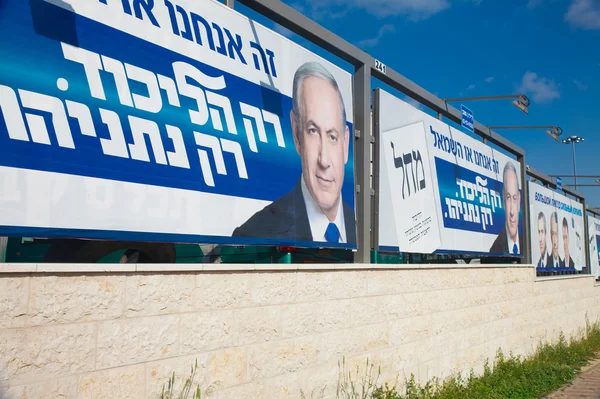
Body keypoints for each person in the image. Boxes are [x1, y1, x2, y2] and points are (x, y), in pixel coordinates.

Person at [232, 62, 356, 244]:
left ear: (345, 144)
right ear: (297, 134)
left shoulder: (363, 233)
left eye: (332, 136)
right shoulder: (254, 235)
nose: (324, 160)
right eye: (313, 131)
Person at [489, 161, 522, 254]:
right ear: (503, 200)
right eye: (508, 197)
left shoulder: (526, 245)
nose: (512, 212)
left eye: (514, 198)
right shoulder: (495, 249)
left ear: (519, 200)